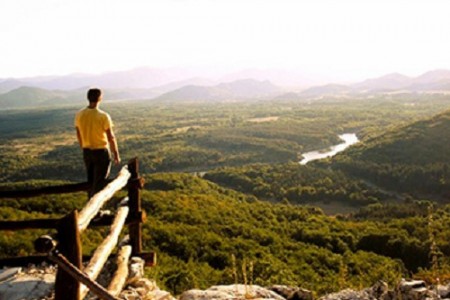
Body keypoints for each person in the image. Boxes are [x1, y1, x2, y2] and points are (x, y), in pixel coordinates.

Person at [75, 88, 121, 198]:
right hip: (101, 152)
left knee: (90, 182)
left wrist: (83, 146)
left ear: (88, 98)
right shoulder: (103, 116)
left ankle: (90, 207)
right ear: (100, 98)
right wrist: (116, 154)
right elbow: (111, 137)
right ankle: (96, 210)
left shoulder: (79, 115)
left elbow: (78, 133)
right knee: (100, 183)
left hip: (87, 152)